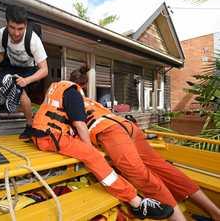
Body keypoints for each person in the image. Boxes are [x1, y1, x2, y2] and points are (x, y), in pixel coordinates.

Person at [69, 66, 220, 221]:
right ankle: (215, 213)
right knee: (164, 168)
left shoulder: (66, 99)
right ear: (84, 87)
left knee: (143, 178)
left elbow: (77, 128)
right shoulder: (92, 101)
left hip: (111, 133)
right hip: (128, 127)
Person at [31, 80, 174, 220]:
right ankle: (135, 202)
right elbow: (80, 125)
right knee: (94, 157)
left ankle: (131, 194)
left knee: (91, 153)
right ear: (83, 86)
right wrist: (91, 148)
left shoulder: (59, 87)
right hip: (50, 137)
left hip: (44, 133)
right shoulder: (73, 93)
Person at [0, 5, 48, 139]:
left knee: (21, 93)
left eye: (20, 29)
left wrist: (26, 80)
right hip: (12, 67)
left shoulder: (34, 40)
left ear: (26, 25)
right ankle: (10, 92)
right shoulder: (2, 34)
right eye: (12, 28)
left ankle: (29, 126)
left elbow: (44, 69)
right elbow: (1, 54)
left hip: (30, 69)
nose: (16, 33)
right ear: (7, 23)